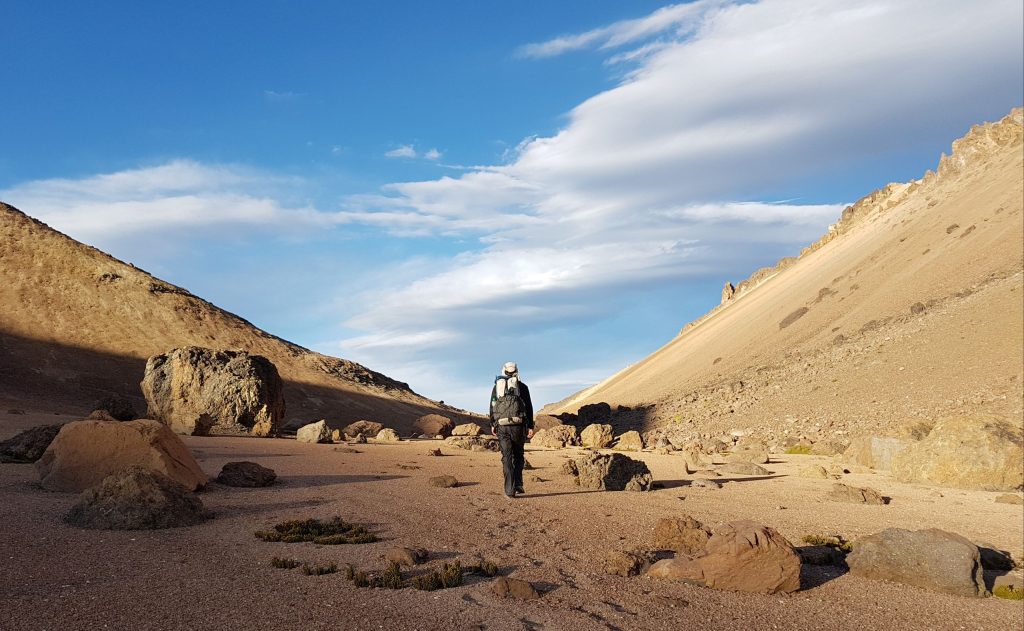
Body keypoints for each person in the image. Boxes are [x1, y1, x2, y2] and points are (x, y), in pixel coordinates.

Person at [489, 361, 534, 498]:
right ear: (517, 371)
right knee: (518, 454)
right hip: (519, 426)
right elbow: (529, 408)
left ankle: (509, 489)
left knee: (507, 457)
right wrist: (530, 426)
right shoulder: (523, 387)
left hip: (502, 426)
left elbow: (492, 406)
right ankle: (519, 483)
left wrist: (493, 424)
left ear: (503, 371)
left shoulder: (497, 387)